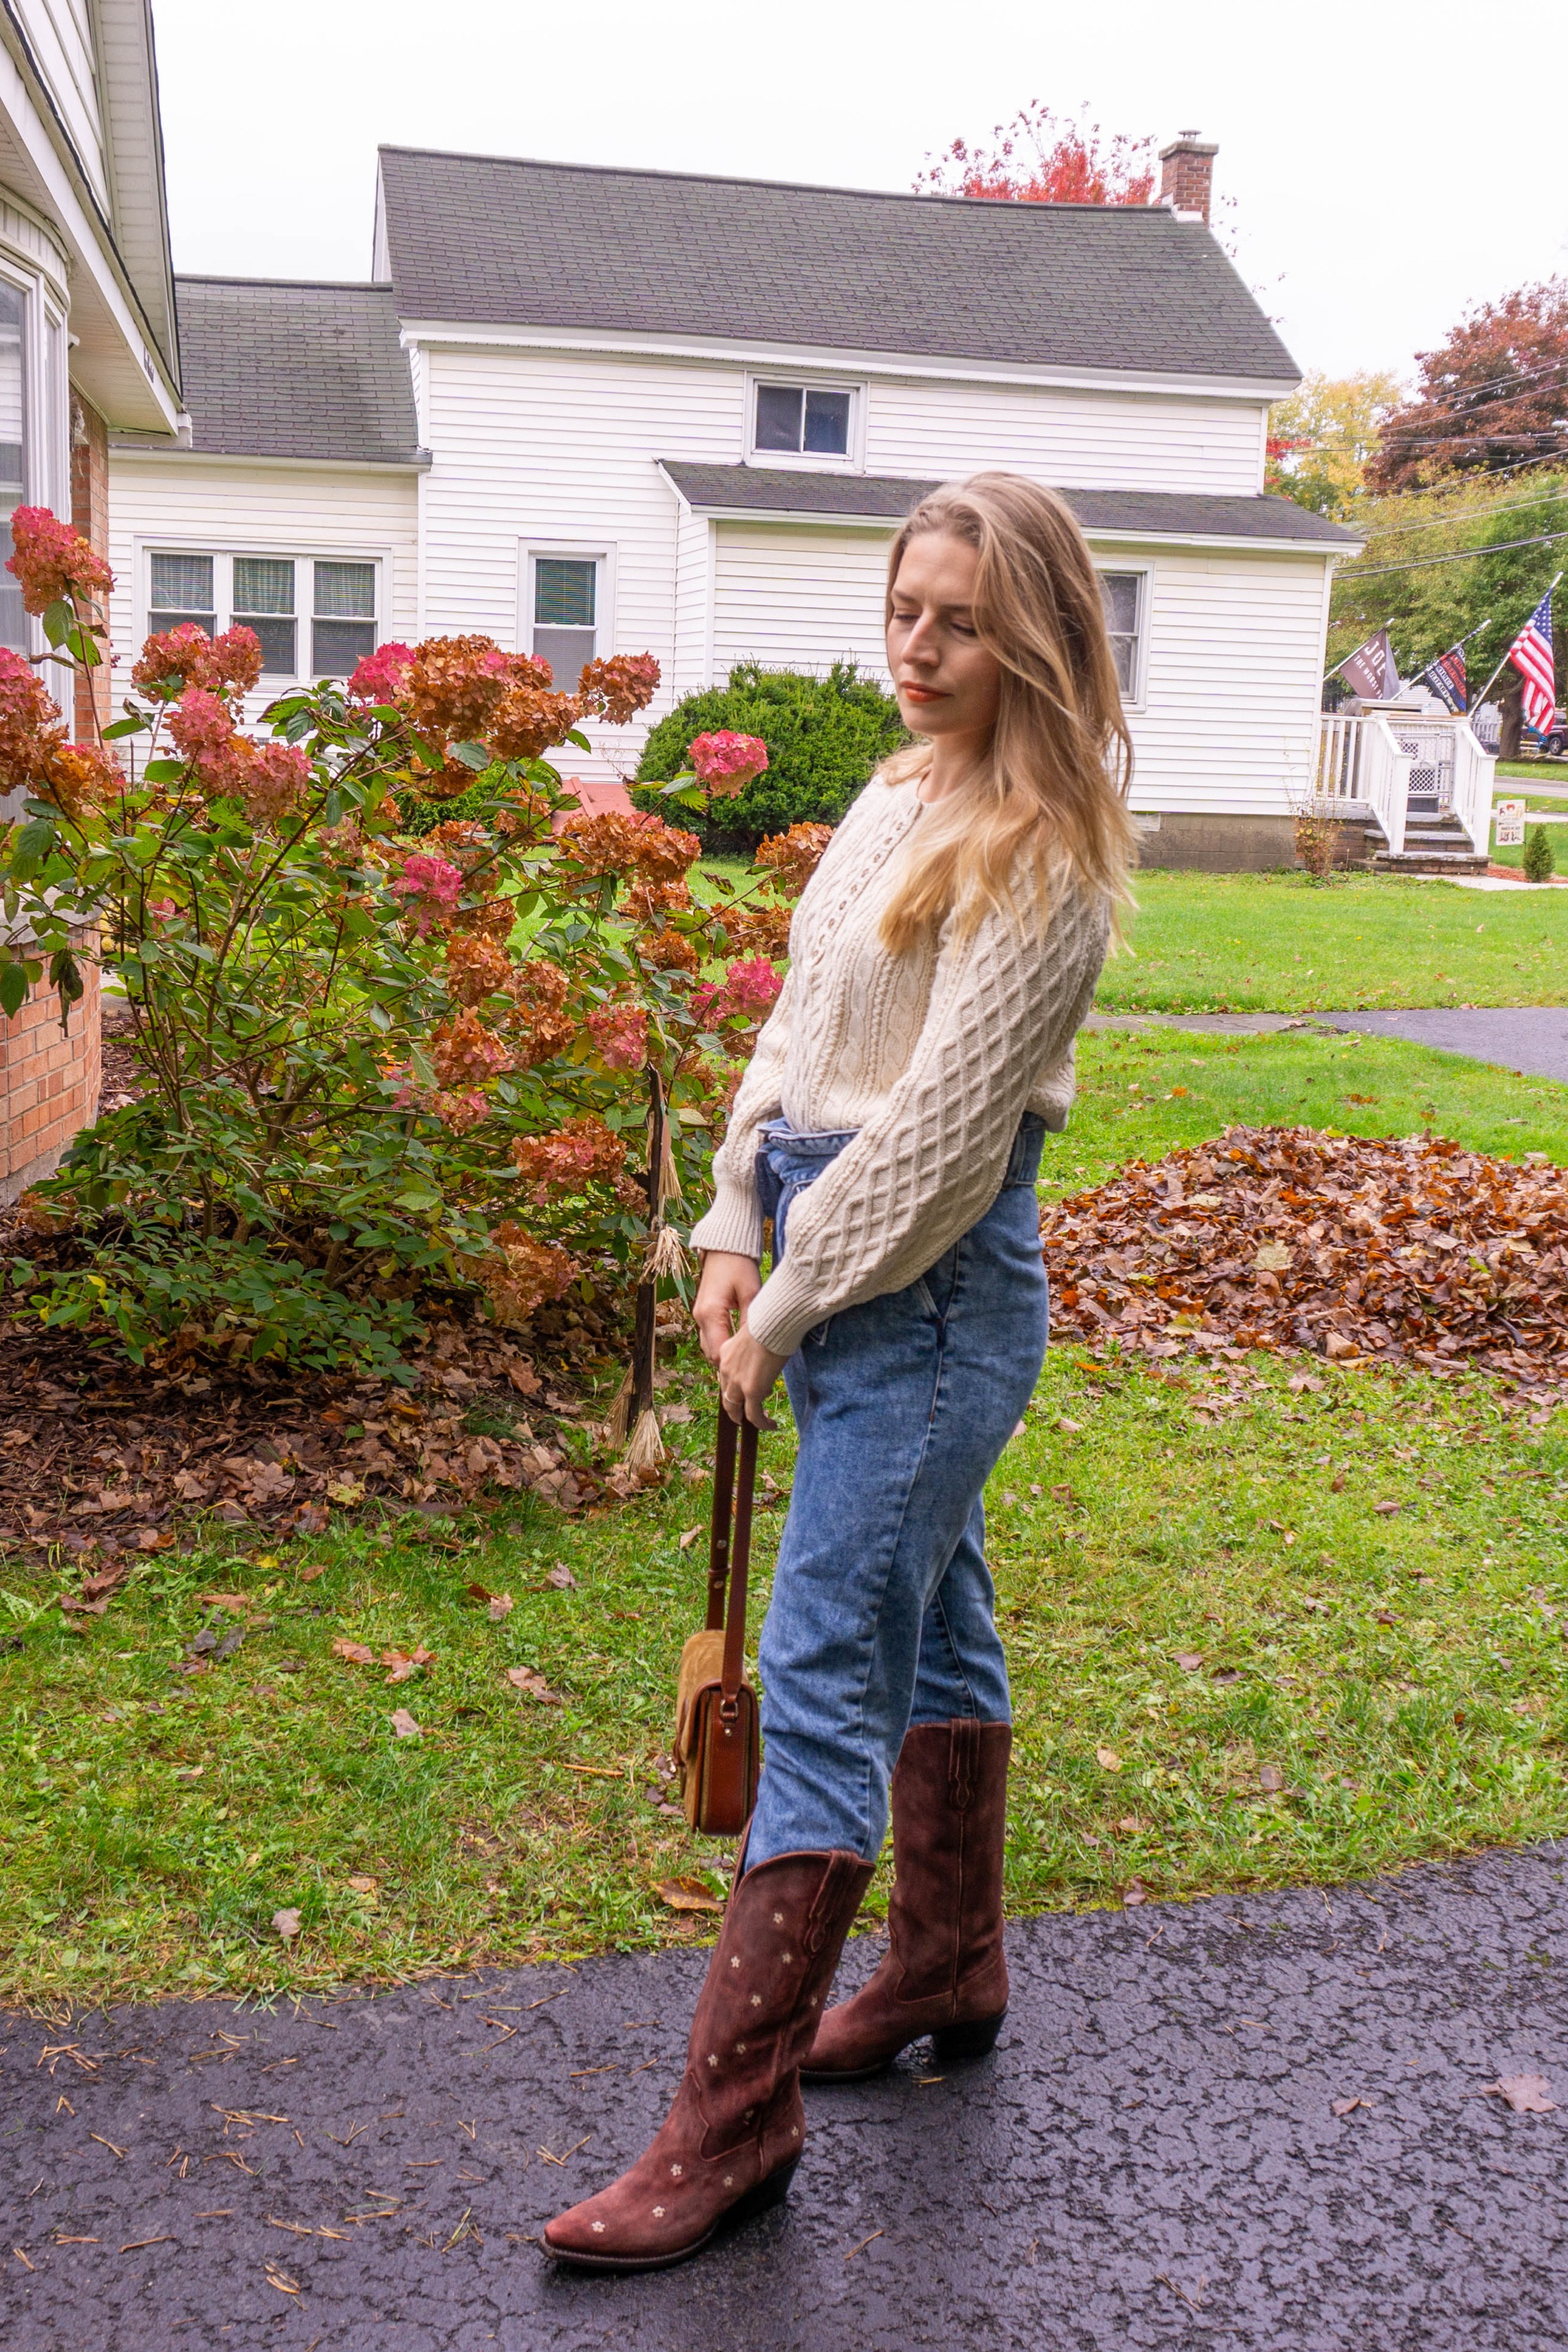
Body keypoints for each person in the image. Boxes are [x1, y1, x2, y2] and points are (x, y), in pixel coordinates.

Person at [545, 472, 1134, 2271]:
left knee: (816, 1667)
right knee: (930, 1607)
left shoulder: (1047, 855)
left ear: (1030, 630)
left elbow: (945, 1142)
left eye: (958, 619)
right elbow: (800, 1027)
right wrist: (730, 1218)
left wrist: (783, 1304)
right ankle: (949, 1961)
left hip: (929, 1304)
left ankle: (733, 2123)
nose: (918, 647)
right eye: (903, 609)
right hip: (820, 1256)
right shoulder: (890, 794)